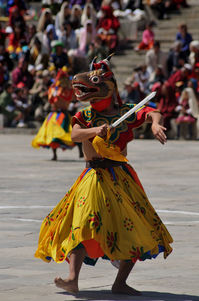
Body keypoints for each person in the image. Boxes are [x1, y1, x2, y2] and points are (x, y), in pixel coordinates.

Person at [35, 56, 173, 295]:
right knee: (82, 223)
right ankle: (72, 278)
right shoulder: (85, 116)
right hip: (93, 176)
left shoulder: (125, 112)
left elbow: (152, 111)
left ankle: (120, 282)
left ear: (109, 87)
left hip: (120, 176)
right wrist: (95, 130)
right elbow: (75, 135)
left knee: (132, 228)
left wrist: (155, 124)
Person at [32, 69, 83, 160]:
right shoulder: (54, 89)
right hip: (54, 114)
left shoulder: (68, 90)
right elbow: (51, 100)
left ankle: (80, 151)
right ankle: (55, 154)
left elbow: (70, 98)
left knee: (70, 133)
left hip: (63, 115)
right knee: (52, 135)